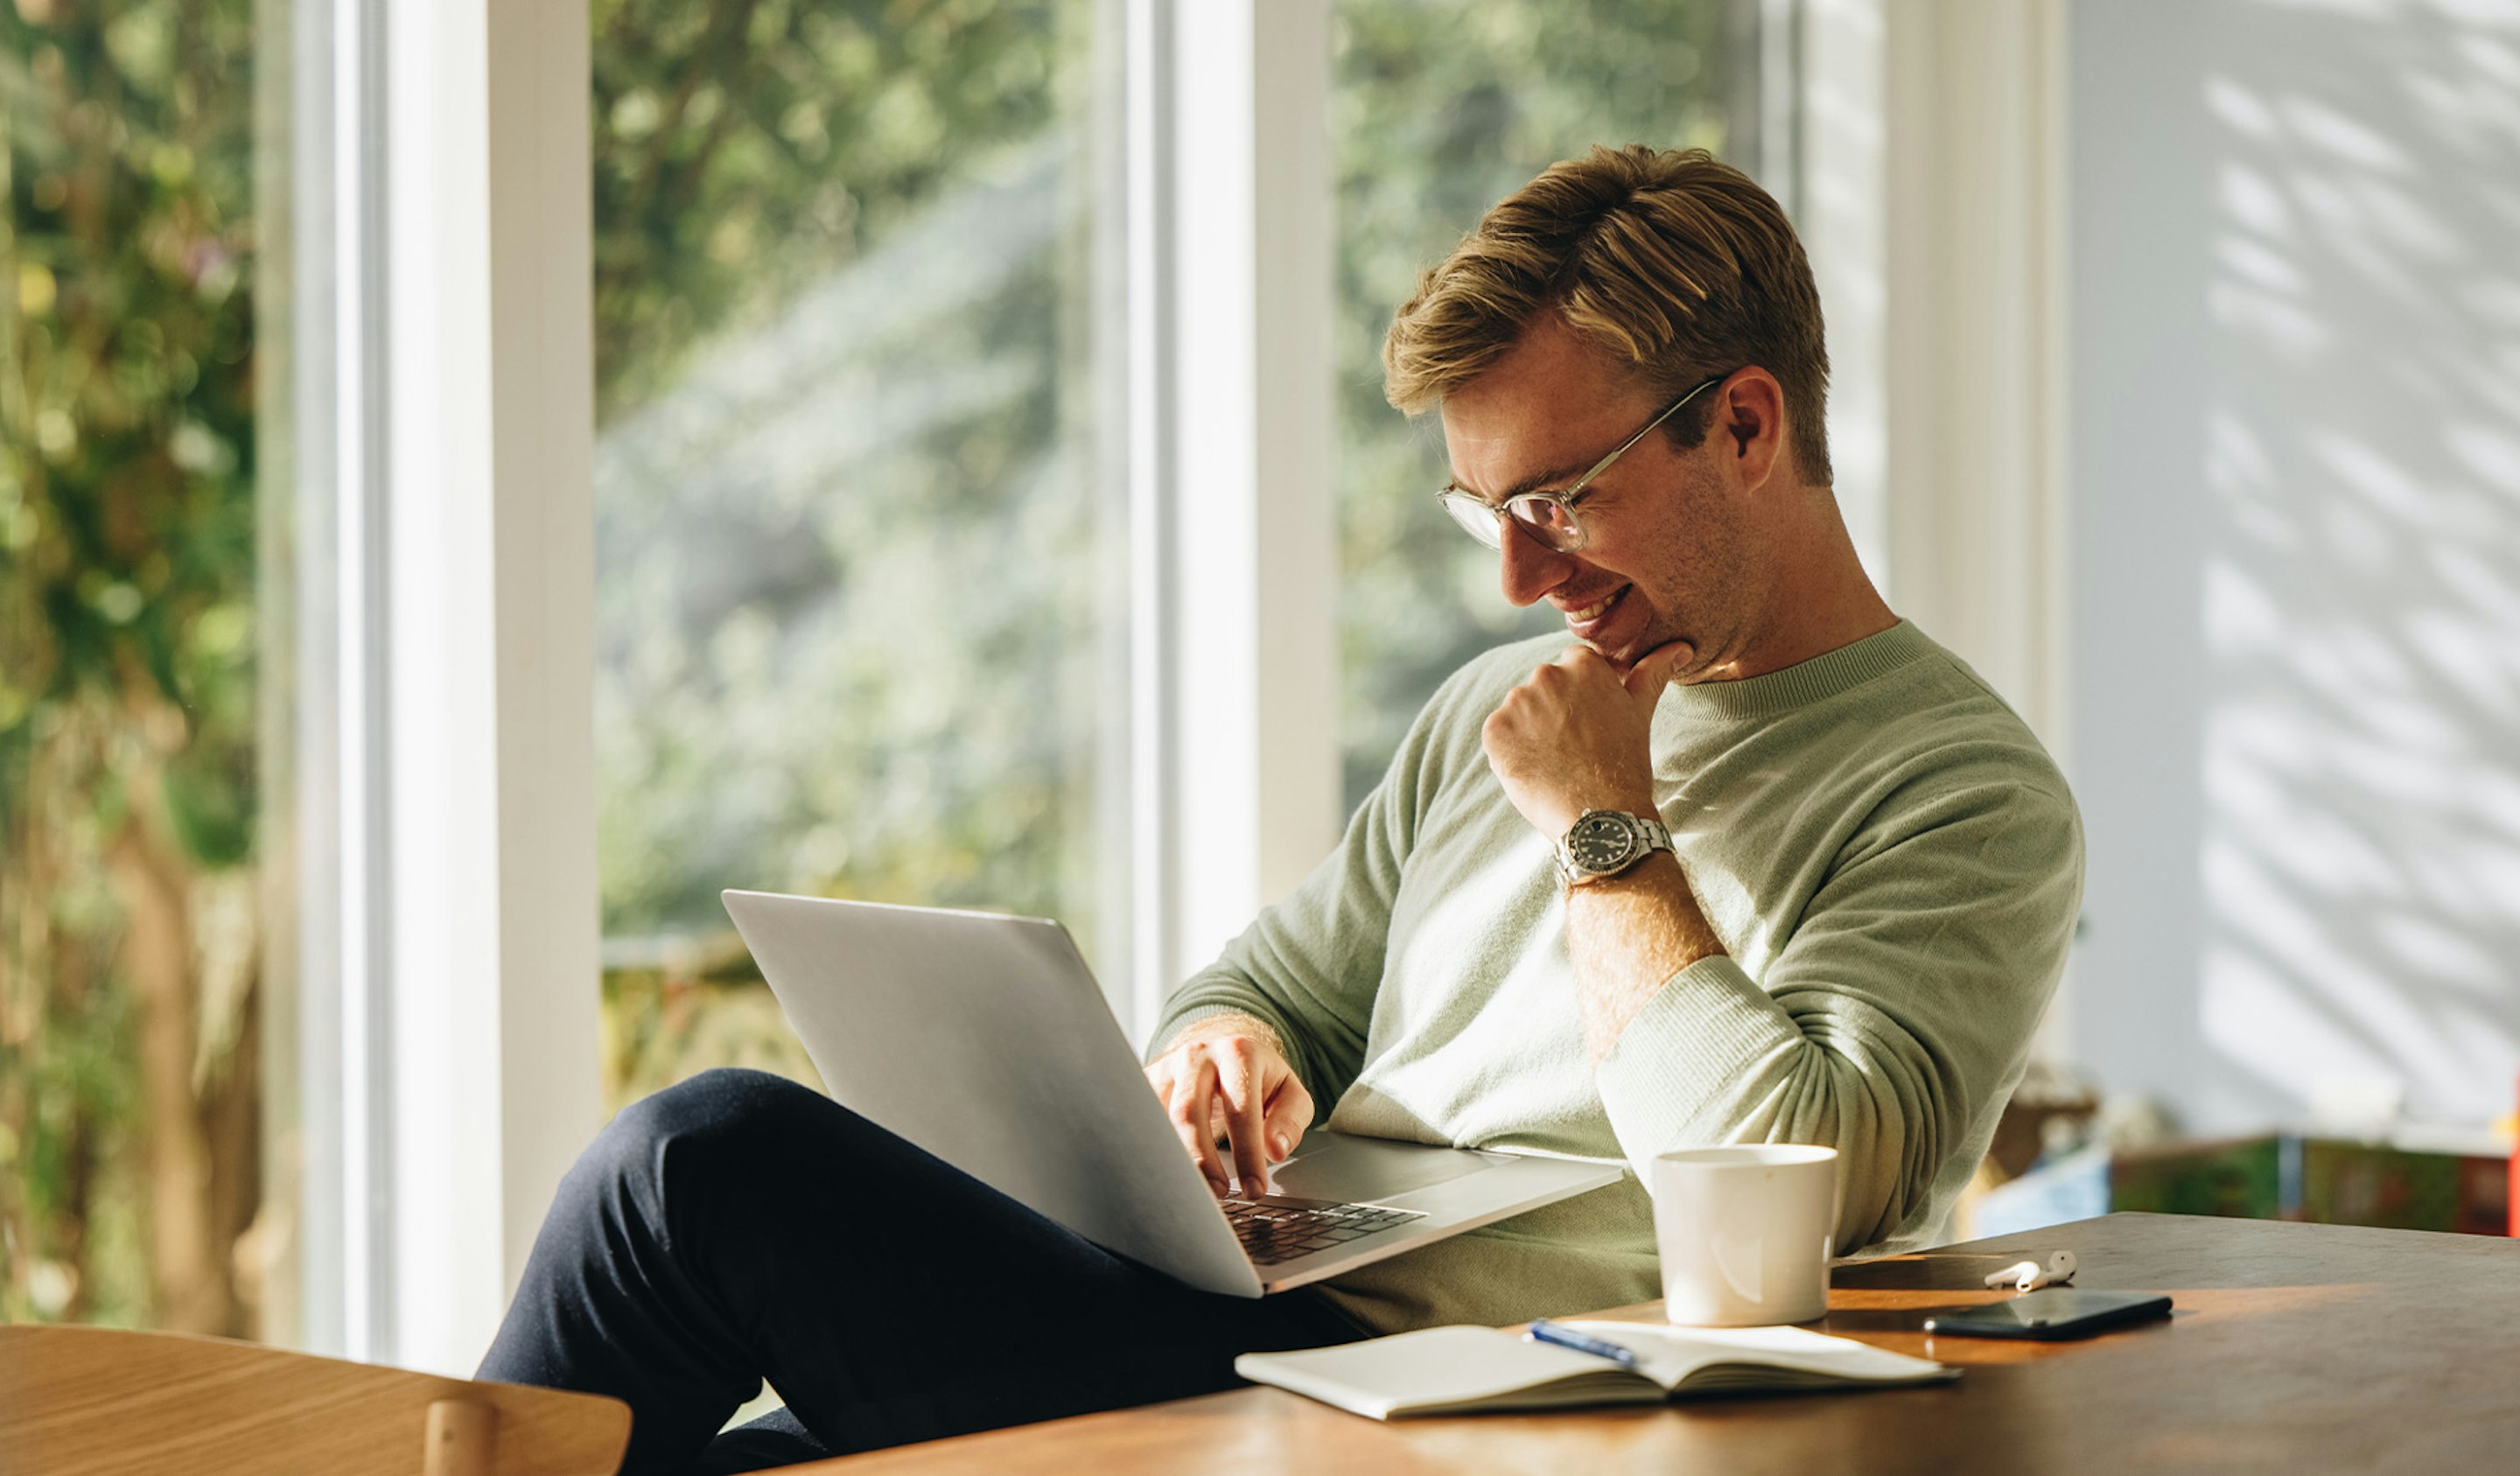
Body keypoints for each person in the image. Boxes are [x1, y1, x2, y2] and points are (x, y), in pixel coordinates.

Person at [479, 145, 2082, 1473]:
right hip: (1239, 1323)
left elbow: (1793, 1165)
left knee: (698, 1166)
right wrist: (1216, 1058)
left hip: (1473, 1401)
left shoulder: (1964, 795)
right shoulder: (1487, 720)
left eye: (1558, 500)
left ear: (1744, 425)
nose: (1523, 578)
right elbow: (1269, 990)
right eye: (1485, 516)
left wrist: (1608, 830)